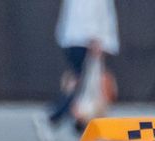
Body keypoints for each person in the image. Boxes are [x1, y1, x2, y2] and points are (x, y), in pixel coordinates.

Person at [46, 0, 120, 132]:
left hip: (78, 39)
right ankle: (59, 115)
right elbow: (88, 13)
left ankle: (69, 117)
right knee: (82, 81)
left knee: (82, 81)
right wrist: (95, 38)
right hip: (83, 41)